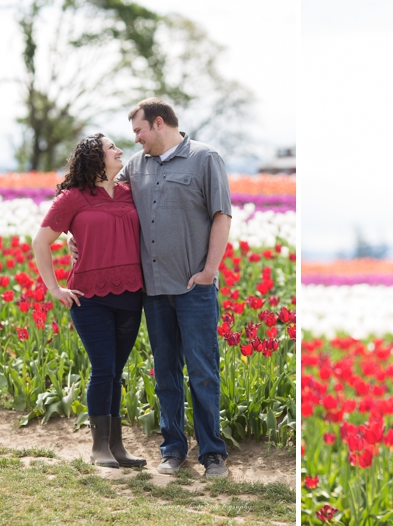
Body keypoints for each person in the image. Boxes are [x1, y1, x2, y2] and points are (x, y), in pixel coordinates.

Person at [123, 98, 235, 476]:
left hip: (194, 288)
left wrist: (209, 271)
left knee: (203, 370)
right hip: (153, 290)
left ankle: (212, 453)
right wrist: (74, 236)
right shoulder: (134, 167)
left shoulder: (205, 158)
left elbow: (222, 215)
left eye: (139, 131)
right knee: (165, 371)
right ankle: (173, 449)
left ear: (158, 123)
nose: (136, 139)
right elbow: (106, 207)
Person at [31, 133, 148, 470]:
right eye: (112, 147)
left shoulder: (131, 193)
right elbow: (40, 243)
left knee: (116, 372)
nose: (119, 151)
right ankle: (99, 448)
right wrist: (54, 288)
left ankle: (117, 446)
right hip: (88, 297)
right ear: (95, 157)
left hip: (130, 293)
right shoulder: (72, 198)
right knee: (103, 368)